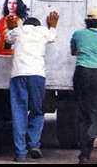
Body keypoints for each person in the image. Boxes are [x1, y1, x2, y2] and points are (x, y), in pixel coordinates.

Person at [5, 12, 59, 162]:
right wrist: (53, 26)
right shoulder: (43, 31)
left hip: (18, 75)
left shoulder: (18, 30)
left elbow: (8, 39)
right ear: (37, 25)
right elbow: (52, 37)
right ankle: (34, 144)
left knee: (19, 112)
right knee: (37, 110)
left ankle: (20, 153)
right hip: (37, 75)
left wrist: (10, 28)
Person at [70, 8, 97, 165]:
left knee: (83, 114)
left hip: (82, 73)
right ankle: (96, 137)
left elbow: (74, 52)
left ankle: (84, 155)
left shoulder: (77, 34)